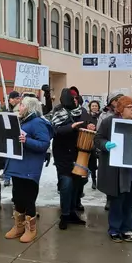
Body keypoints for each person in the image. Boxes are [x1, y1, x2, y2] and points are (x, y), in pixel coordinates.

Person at [2, 96, 52, 243]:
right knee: (17, 196)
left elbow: (44, 144)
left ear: (30, 107)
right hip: (18, 165)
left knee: (28, 198)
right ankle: (18, 226)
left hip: (29, 167)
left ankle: (31, 229)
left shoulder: (37, 122)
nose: (19, 107)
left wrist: (27, 141)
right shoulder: (22, 121)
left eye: (22, 105)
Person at [96, 96, 132, 242]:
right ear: (121, 109)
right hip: (117, 171)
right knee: (117, 201)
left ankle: (127, 228)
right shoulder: (109, 122)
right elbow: (97, 139)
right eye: (130, 107)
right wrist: (106, 145)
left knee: (130, 202)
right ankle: (114, 228)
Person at [49, 87, 91, 229]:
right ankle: (65, 214)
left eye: (76, 98)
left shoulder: (81, 111)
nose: (75, 100)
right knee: (66, 184)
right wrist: (71, 127)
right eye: (72, 98)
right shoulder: (58, 111)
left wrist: (90, 125)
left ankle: (72, 211)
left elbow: (87, 123)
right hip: (62, 154)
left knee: (77, 184)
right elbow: (54, 130)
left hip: (79, 154)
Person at [85, 100, 102, 188]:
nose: (94, 107)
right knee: (92, 162)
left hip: (101, 141)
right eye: (93, 106)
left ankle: (102, 180)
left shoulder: (101, 116)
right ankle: (94, 181)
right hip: (91, 141)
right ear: (90, 107)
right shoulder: (87, 117)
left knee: (102, 162)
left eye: (96, 106)